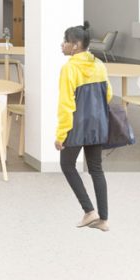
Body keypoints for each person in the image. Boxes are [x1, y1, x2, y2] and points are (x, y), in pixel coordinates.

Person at [55, 21, 112, 233]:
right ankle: (103, 219)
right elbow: (108, 94)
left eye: (65, 41)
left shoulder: (69, 68)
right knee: (96, 169)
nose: (62, 45)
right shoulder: (99, 65)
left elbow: (66, 105)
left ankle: (89, 211)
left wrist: (61, 134)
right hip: (98, 124)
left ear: (76, 45)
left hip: (77, 125)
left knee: (67, 165)